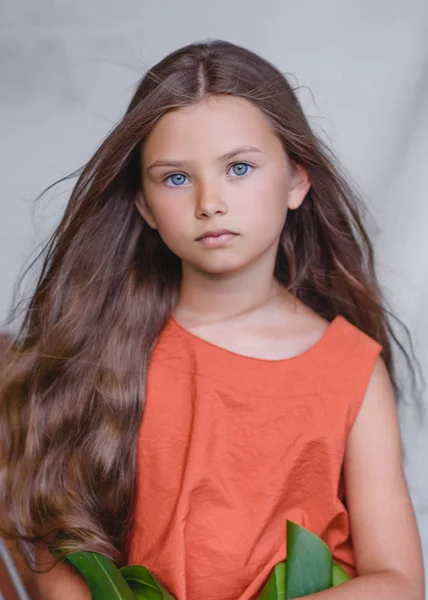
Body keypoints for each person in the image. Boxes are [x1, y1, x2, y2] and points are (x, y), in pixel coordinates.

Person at [0, 39, 424, 600]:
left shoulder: (350, 372)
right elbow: (56, 541)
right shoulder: (97, 349)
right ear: (145, 205)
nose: (209, 202)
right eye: (176, 177)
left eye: (239, 168)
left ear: (297, 181)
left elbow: (399, 581)